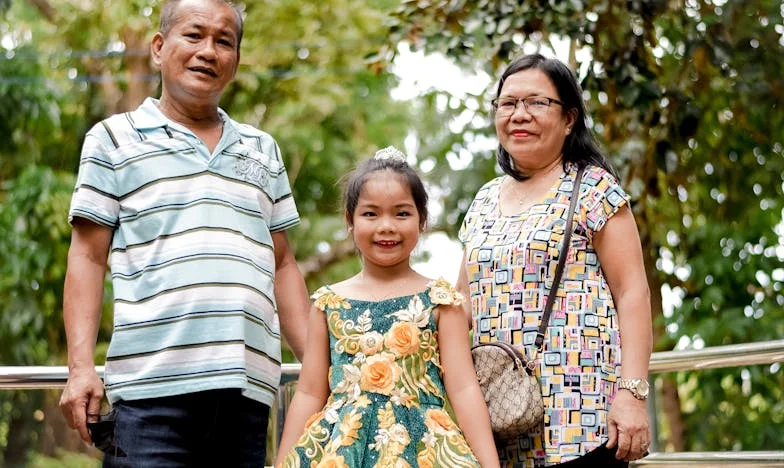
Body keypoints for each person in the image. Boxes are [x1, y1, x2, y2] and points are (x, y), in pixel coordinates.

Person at [58, 0, 310, 465]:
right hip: (148, 400)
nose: (208, 51)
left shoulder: (263, 149)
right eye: (194, 35)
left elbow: (283, 265)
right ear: (159, 47)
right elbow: (87, 259)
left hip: (245, 399)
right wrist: (80, 369)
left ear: (235, 60)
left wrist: (319, 368)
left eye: (224, 41)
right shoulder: (113, 139)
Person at [456, 54, 653, 467]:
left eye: (536, 102)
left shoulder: (594, 188)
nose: (519, 114)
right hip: (502, 419)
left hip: (582, 422)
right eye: (508, 103)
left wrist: (632, 394)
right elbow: (464, 303)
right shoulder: (484, 200)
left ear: (569, 119)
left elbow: (632, 292)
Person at [274, 147, 500, 468]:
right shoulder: (328, 304)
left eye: (401, 213)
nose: (386, 226)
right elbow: (309, 393)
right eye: (370, 214)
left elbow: (464, 389)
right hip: (342, 453)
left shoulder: (441, 301)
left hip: (425, 453)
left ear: (422, 221)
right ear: (350, 221)